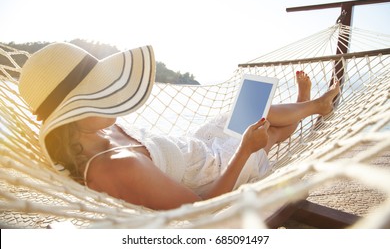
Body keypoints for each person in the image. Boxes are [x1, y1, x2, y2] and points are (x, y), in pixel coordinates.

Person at [18, 42, 340, 210]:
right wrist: (243, 150)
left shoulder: (95, 131)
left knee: (251, 118)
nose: (113, 95)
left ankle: (307, 106)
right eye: (99, 94)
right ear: (73, 114)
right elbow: (202, 210)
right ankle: (311, 106)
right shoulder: (116, 167)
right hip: (217, 167)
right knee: (264, 132)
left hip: (196, 145)